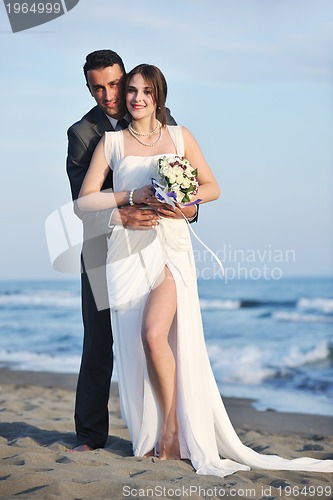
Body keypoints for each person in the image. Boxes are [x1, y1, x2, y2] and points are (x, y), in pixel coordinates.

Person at [78, 63, 333, 476]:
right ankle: (154, 429)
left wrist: (185, 200)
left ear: (159, 96)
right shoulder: (111, 143)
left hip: (171, 251)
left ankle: (173, 430)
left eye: (145, 91)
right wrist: (129, 196)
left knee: (153, 334)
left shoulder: (180, 136)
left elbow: (212, 187)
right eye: (132, 92)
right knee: (134, 345)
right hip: (127, 254)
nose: (136, 98)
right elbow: (84, 201)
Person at [66, 50, 197, 452]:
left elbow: (183, 180)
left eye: (114, 84)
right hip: (104, 247)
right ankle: (90, 436)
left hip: (159, 244)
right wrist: (120, 216)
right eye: (98, 88)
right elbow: (80, 200)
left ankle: (172, 428)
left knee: (162, 335)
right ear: (88, 89)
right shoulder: (83, 134)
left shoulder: (161, 116)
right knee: (99, 337)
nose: (109, 95)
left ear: (127, 80)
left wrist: (187, 211)